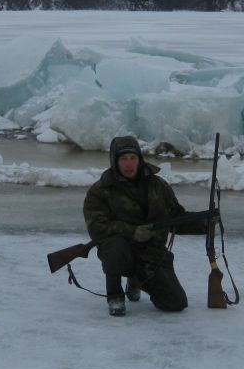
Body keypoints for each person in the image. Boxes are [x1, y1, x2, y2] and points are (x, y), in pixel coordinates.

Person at [83, 136, 214, 317]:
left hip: (152, 253)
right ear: (115, 161)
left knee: (175, 303)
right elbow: (97, 227)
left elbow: (175, 217)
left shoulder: (158, 186)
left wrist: (203, 223)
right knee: (114, 245)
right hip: (121, 250)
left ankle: (135, 280)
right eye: (123, 159)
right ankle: (115, 295)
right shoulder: (100, 191)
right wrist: (133, 232)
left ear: (140, 159)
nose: (129, 164)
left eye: (133, 158)